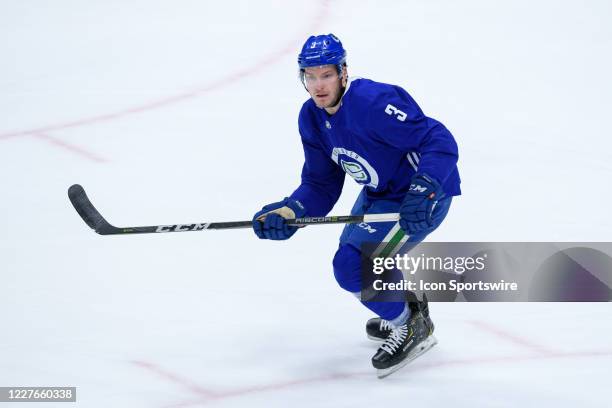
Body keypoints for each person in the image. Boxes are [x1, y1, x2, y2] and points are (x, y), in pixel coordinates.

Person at [252, 33, 461, 378]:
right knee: (362, 260)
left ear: (343, 73)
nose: (319, 85)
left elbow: (438, 139)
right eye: (310, 76)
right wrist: (291, 212)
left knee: (354, 267)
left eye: (327, 75)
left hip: (419, 200)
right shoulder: (312, 118)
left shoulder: (372, 102)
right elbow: (321, 184)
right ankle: (404, 306)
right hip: (380, 197)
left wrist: (425, 188)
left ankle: (410, 326)